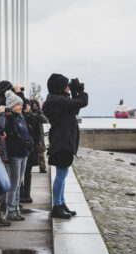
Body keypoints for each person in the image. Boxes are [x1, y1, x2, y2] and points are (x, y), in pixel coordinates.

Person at [42, 73, 88, 219]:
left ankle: (61, 203)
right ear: (60, 87)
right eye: (66, 85)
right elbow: (82, 102)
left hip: (62, 141)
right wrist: (80, 91)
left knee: (62, 174)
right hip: (62, 142)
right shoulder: (57, 100)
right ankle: (57, 206)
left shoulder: (57, 100)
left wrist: (74, 92)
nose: (68, 87)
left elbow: (75, 109)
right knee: (61, 176)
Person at [4, 90, 33, 221]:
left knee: (18, 183)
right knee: (13, 184)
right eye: (18, 105)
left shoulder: (20, 117)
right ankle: (10, 211)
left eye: (21, 104)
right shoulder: (9, 119)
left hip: (23, 153)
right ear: (11, 106)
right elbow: (11, 134)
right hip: (15, 155)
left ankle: (15, 209)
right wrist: (8, 115)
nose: (21, 107)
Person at [20, 101, 42, 203]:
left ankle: (26, 194)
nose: (28, 107)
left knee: (27, 171)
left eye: (29, 105)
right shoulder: (19, 117)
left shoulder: (34, 117)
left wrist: (33, 143)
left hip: (30, 148)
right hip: (22, 148)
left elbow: (38, 133)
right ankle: (22, 194)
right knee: (21, 173)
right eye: (27, 105)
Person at [31, 99, 48, 173]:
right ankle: (29, 167)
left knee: (41, 152)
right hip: (31, 135)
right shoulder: (29, 113)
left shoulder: (39, 113)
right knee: (30, 153)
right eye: (33, 105)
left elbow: (45, 120)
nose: (34, 107)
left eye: (36, 105)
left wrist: (39, 113)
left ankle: (42, 168)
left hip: (39, 136)